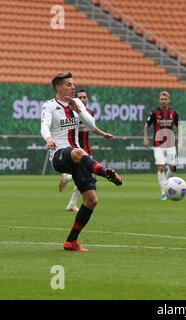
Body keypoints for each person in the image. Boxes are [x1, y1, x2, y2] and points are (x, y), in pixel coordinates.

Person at [41, 72, 123, 252]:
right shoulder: (49, 105)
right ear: (58, 87)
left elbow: (91, 125)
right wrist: (48, 138)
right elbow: (44, 125)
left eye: (73, 84)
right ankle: (105, 173)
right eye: (69, 84)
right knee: (79, 152)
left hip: (78, 156)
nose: (73, 87)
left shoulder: (76, 103)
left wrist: (77, 109)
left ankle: (71, 241)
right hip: (59, 155)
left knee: (91, 200)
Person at [59, 89, 115, 213]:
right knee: (88, 176)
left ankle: (70, 193)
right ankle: (70, 195)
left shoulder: (89, 113)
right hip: (76, 150)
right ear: (76, 99)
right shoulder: (70, 112)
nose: (83, 99)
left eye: (85, 97)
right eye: (80, 97)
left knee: (84, 177)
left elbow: (92, 127)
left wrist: (103, 134)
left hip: (86, 148)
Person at [144, 91, 182, 200]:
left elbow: (179, 126)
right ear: (159, 100)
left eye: (165, 99)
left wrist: (180, 142)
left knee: (173, 167)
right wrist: (145, 138)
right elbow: (146, 125)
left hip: (170, 144)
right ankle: (163, 192)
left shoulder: (173, 113)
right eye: (162, 99)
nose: (163, 101)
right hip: (158, 144)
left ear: (168, 100)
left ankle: (166, 183)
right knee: (161, 168)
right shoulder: (154, 113)